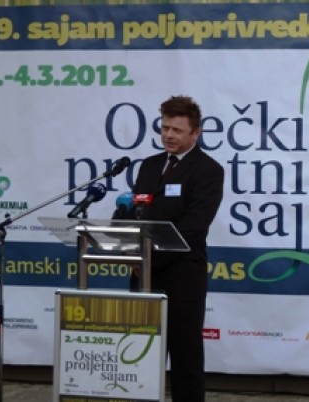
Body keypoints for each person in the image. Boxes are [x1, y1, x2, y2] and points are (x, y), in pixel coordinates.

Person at [129, 95, 224, 401]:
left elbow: (193, 228)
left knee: (185, 361)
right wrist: (127, 239)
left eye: (177, 130)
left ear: (196, 133)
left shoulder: (208, 170)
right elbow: (137, 212)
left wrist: (148, 259)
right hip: (143, 277)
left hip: (181, 278)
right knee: (139, 356)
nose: (169, 135)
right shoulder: (149, 166)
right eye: (165, 128)